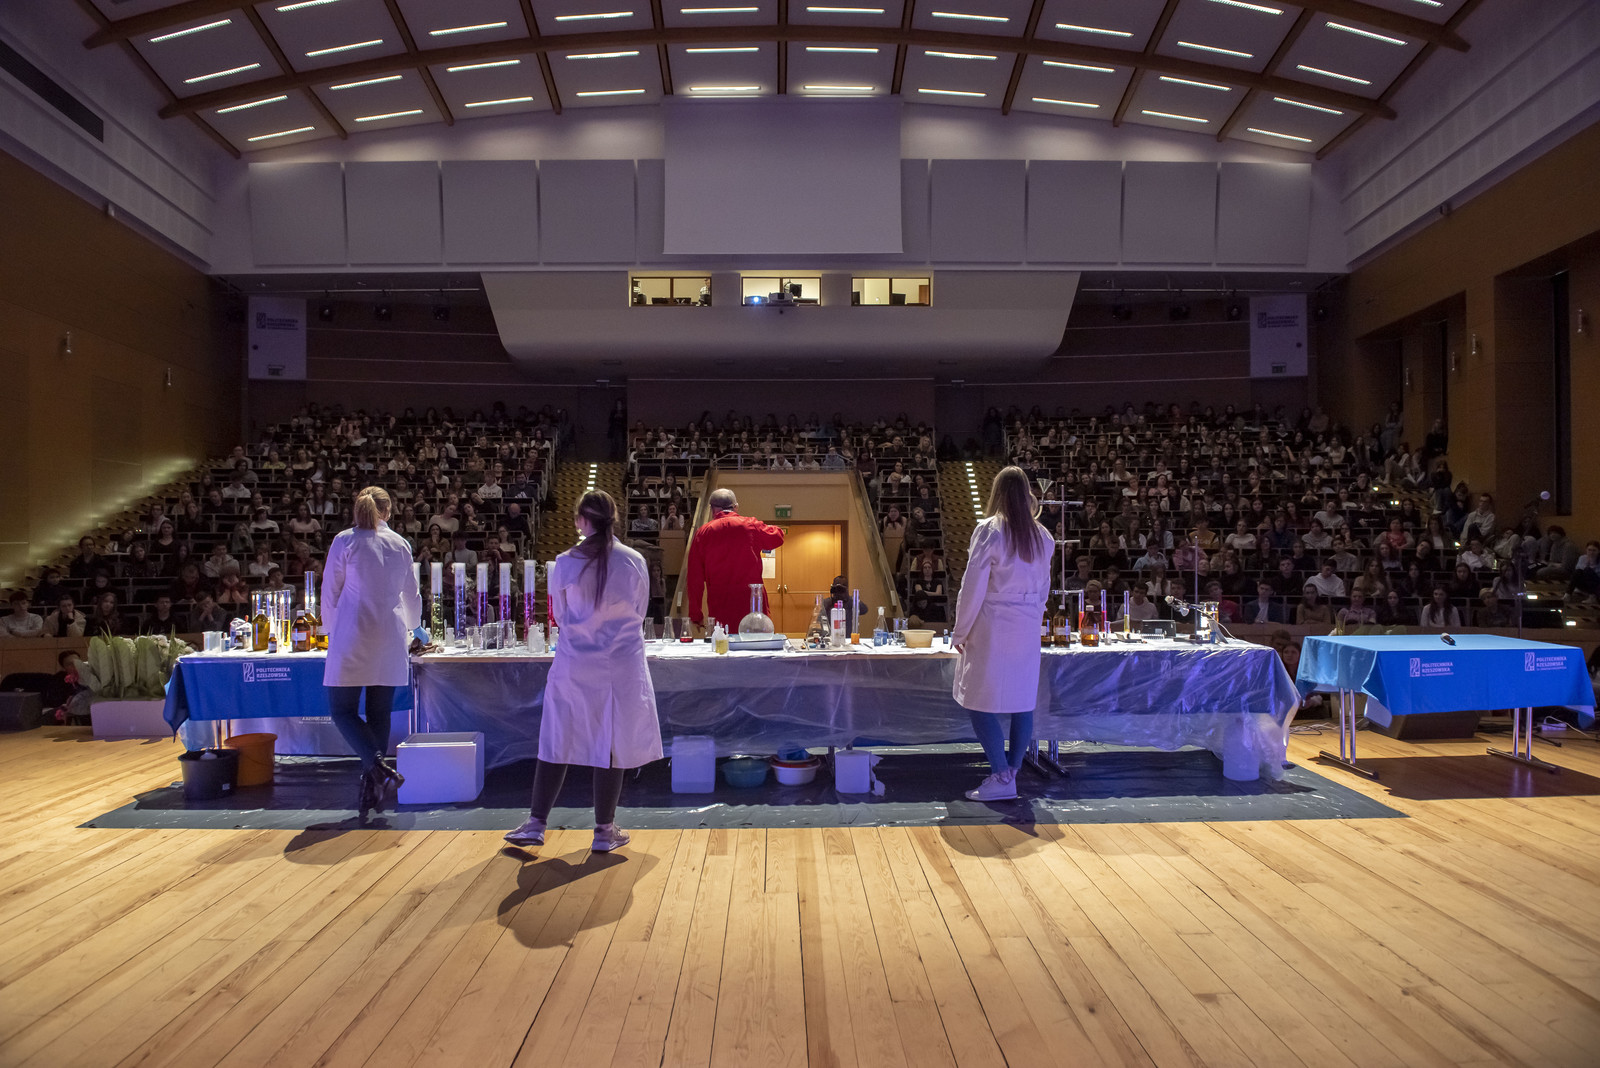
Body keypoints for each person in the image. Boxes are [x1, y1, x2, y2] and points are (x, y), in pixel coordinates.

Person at [506, 491, 662, 852]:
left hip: (575, 662)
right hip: (621, 663)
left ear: (581, 521)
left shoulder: (564, 562)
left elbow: (559, 615)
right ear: (614, 519)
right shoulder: (634, 560)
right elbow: (640, 611)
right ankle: (604, 831)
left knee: (557, 737)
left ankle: (536, 823)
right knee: (611, 741)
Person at [950, 466, 1052, 802]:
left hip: (992, 627)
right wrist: (1034, 622)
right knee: (1022, 703)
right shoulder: (1043, 536)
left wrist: (960, 631)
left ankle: (1001, 775)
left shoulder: (989, 530)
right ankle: (1011, 773)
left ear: (998, 494)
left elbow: (972, 586)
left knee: (979, 702)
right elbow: (1044, 590)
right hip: (1026, 627)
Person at [321, 487, 422, 822]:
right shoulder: (400, 544)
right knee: (379, 712)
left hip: (353, 631)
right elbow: (411, 595)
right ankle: (373, 788)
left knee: (342, 710)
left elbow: (330, 591)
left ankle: (378, 768)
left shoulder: (345, 541)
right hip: (390, 635)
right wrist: (415, 627)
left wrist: (330, 630)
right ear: (388, 512)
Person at [684, 488, 785, 633]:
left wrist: (696, 615)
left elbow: (694, 578)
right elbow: (778, 537)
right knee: (756, 643)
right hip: (751, 604)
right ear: (735, 507)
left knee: (723, 643)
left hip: (720, 604)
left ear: (712, 509)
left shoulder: (703, 533)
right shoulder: (750, 525)